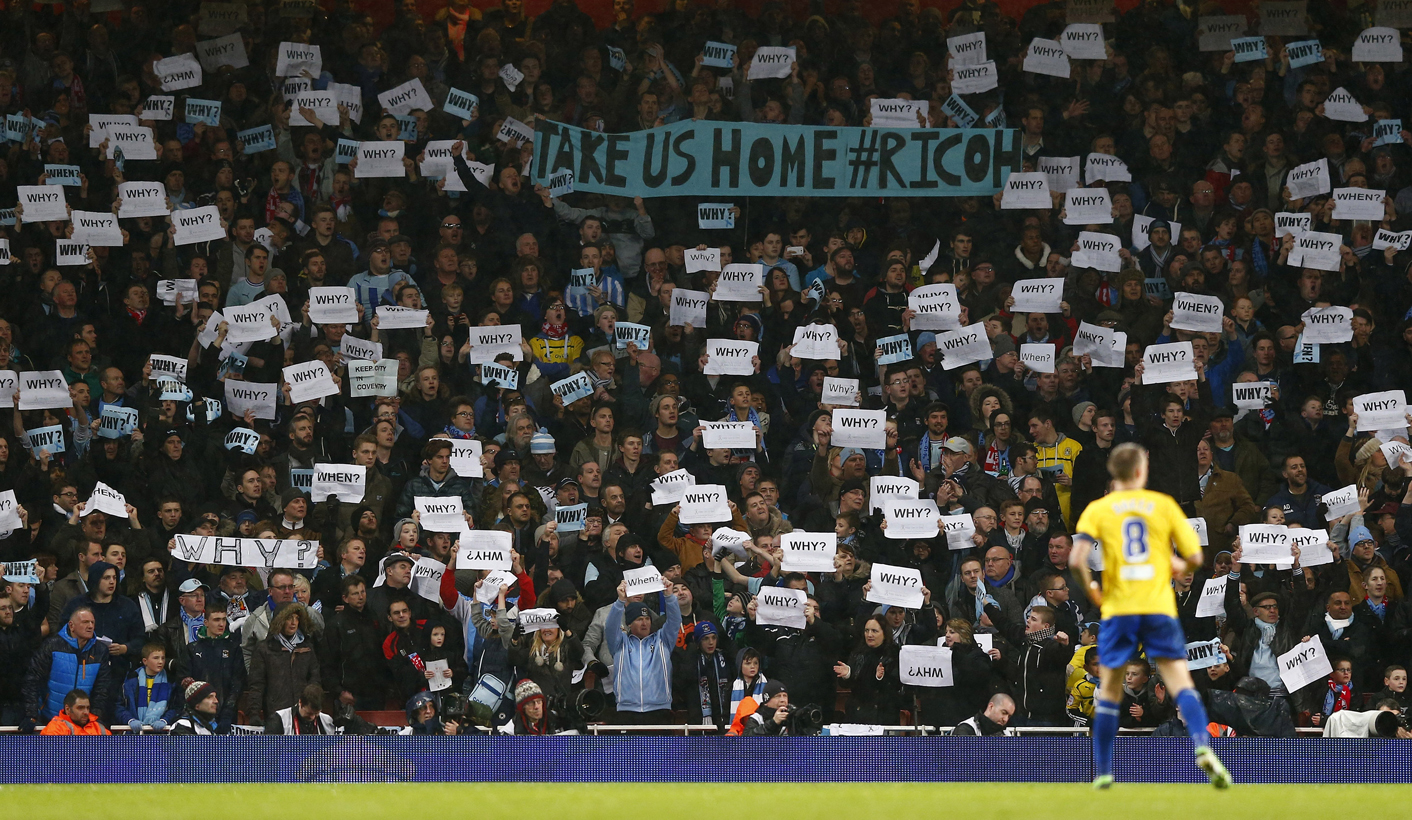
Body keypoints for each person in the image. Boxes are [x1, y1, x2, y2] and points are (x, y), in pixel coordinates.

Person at [1071, 443, 1231, 789]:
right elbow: (1193, 557)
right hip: (1157, 607)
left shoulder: (1099, 509)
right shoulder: (1163, 505)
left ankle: (1102, 769)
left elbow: (1075, 560)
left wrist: (1094, 591)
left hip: (1119, 609)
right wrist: (1176, 566)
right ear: (1143, 471)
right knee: (1180, 682)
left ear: (1114, 473)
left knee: (1111, 690)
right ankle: (1203, 748)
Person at [39, 690, 111, 736]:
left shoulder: (99, 728)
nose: (86, 712)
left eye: (88, 708)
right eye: (80, 708)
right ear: (68, 709)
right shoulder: (56, 729)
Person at [950, 693, 1017, 736]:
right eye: (1004, 713)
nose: (1005, 719)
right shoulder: (965, 729)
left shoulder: (1005, 733)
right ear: (991, 707)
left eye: (1009, 716)